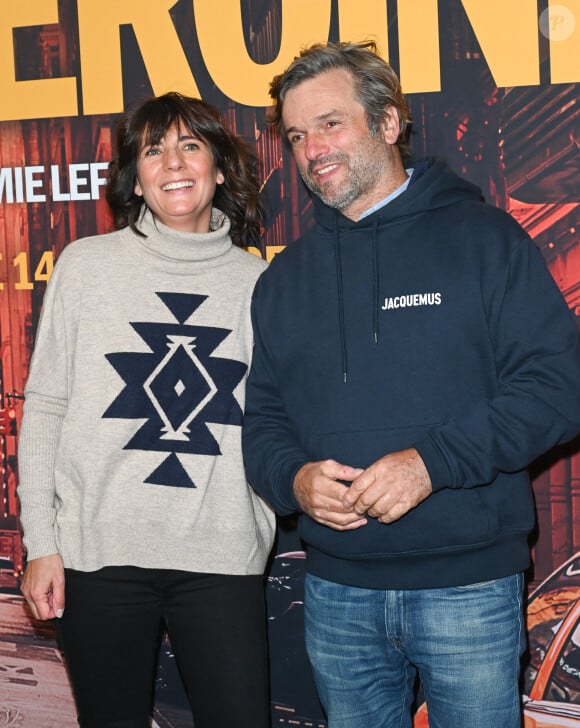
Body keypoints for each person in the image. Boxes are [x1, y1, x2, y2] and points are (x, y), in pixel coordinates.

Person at [242, 41, 580, 728]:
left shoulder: (484, 241)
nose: (312, 149)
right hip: (334, 590)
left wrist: (431, 464)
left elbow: (559, 385)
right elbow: (263, 421)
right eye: (298, 135)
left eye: (331, 124)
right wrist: (295, 480)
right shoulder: (283, 280)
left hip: (469, 588)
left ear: (390, 123)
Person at [18, 92, 275, 728]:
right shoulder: (86, 267)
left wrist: (259, 522)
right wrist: (42, 543)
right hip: (99, 557)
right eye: (153, 150)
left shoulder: (262, 284)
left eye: (191, 145)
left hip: (221, 555)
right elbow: (45, 406)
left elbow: (278, 417)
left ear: (219, 166)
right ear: (135, 177)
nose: (173, 163)